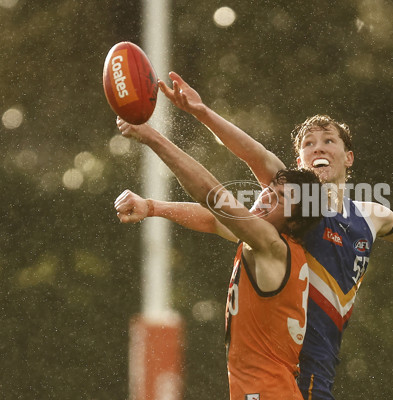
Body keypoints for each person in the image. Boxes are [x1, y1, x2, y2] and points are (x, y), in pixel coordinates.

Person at [117, 71, 393, 400]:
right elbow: (234, 189)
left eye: (328, 141)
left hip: (314, 369)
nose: (317, 149)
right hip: (275, 366)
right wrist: (201, 116)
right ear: (296, 163)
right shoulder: (290, 198)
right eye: (307, 145)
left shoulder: (368, 215)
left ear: (349, 157)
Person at [113, 117, 324, 400]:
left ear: (295, 223)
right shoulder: (272, 245)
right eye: (269, 190)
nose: (265, 199)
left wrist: (153, 138)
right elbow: (213, 220)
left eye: (280, 198)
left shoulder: (271, 245)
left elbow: (211, 196)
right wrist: (152, 206)